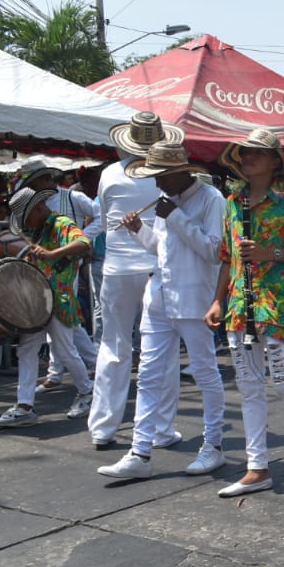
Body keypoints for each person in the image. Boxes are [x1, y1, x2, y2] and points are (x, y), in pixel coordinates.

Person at [205, 128, 284, 497]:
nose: (248, 157)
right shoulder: (233, 201)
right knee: (249, 387)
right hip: (240, 304)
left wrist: (269, 254)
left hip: (279, 302)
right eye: (245, 152)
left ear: (276, 161)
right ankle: (257, 467)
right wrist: (217, 300)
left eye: (257, 152)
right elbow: (228, 257)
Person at [96, 142, 227, 481]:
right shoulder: (168, 200)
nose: (156, 184)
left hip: (194, 300)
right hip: (159, 297)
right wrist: (139, 231)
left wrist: (176, 217)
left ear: (180, 173)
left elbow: (214, 251)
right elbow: (163, 249)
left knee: (205, 373)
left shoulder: (211, 199)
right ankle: (140, 451)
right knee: (149, 375)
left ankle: (213, 445)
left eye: (161, 177)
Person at [89, 112, 185, 448]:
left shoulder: (109, 174)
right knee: (161, 351)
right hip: (156, 266)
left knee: (113, 346)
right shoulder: (169, 175)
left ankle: (103, 427)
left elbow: (104, 220)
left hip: (117, 268)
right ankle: (161, 428)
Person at [0, 187, 94, 427]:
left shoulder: (61, 223)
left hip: (58, 299)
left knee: (65, 350)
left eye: (26, 217)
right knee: (26, 349)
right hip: (36, 300)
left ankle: (87, 392)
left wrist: (52, 254)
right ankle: (24, 406)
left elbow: (84, 243)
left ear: (38, 209)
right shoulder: (36, 229)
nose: (25, 223)